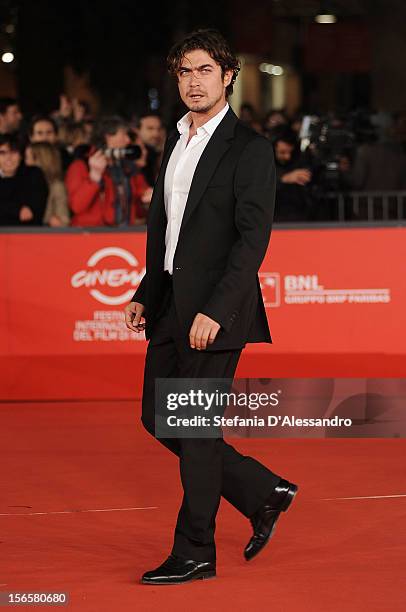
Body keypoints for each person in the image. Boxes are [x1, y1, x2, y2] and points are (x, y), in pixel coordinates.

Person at [124, 29, 298, 586]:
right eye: (184, 72)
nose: (193, 81)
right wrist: (146, 292)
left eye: (204, 70)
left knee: (195, 431)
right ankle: (260, 489)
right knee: (159, 418)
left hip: (215, 314)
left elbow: (252, 241)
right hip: (171, 303)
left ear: (227, 76)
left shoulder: (247, 148)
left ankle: (196, 549)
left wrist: (218, 310)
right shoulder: (175, 142)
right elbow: (166, 230)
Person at [65, 116, 152, 226]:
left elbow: (141, 202)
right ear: (108, 137)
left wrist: (148, 199)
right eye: (123, 135)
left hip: (124, 234)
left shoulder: (128, 167)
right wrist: (94, 177)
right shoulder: (80, 166)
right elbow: (77, 206)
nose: (128, 140)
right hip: (91, 235)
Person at [0, 133, 48, 226]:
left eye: (13, 152)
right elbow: (21, 212)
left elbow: (30, 213)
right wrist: (17, 210)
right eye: (2, 153)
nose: (8, 158)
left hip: (27, 234)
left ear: (21, 155)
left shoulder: (34, 174)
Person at [270, 125, 313, 222]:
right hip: (272, 219)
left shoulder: (300, 159)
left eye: (290, 152)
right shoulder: (262, 162)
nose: (287, 157)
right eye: (282, 152)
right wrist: (283, 179)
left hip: (300, 217)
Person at [25, 142, 70, 227]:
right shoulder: (25, 183)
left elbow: (63, 221)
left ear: (40, 160)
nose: (25, 162)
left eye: (27, 158)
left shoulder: (56, 186)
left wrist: (52, 220)